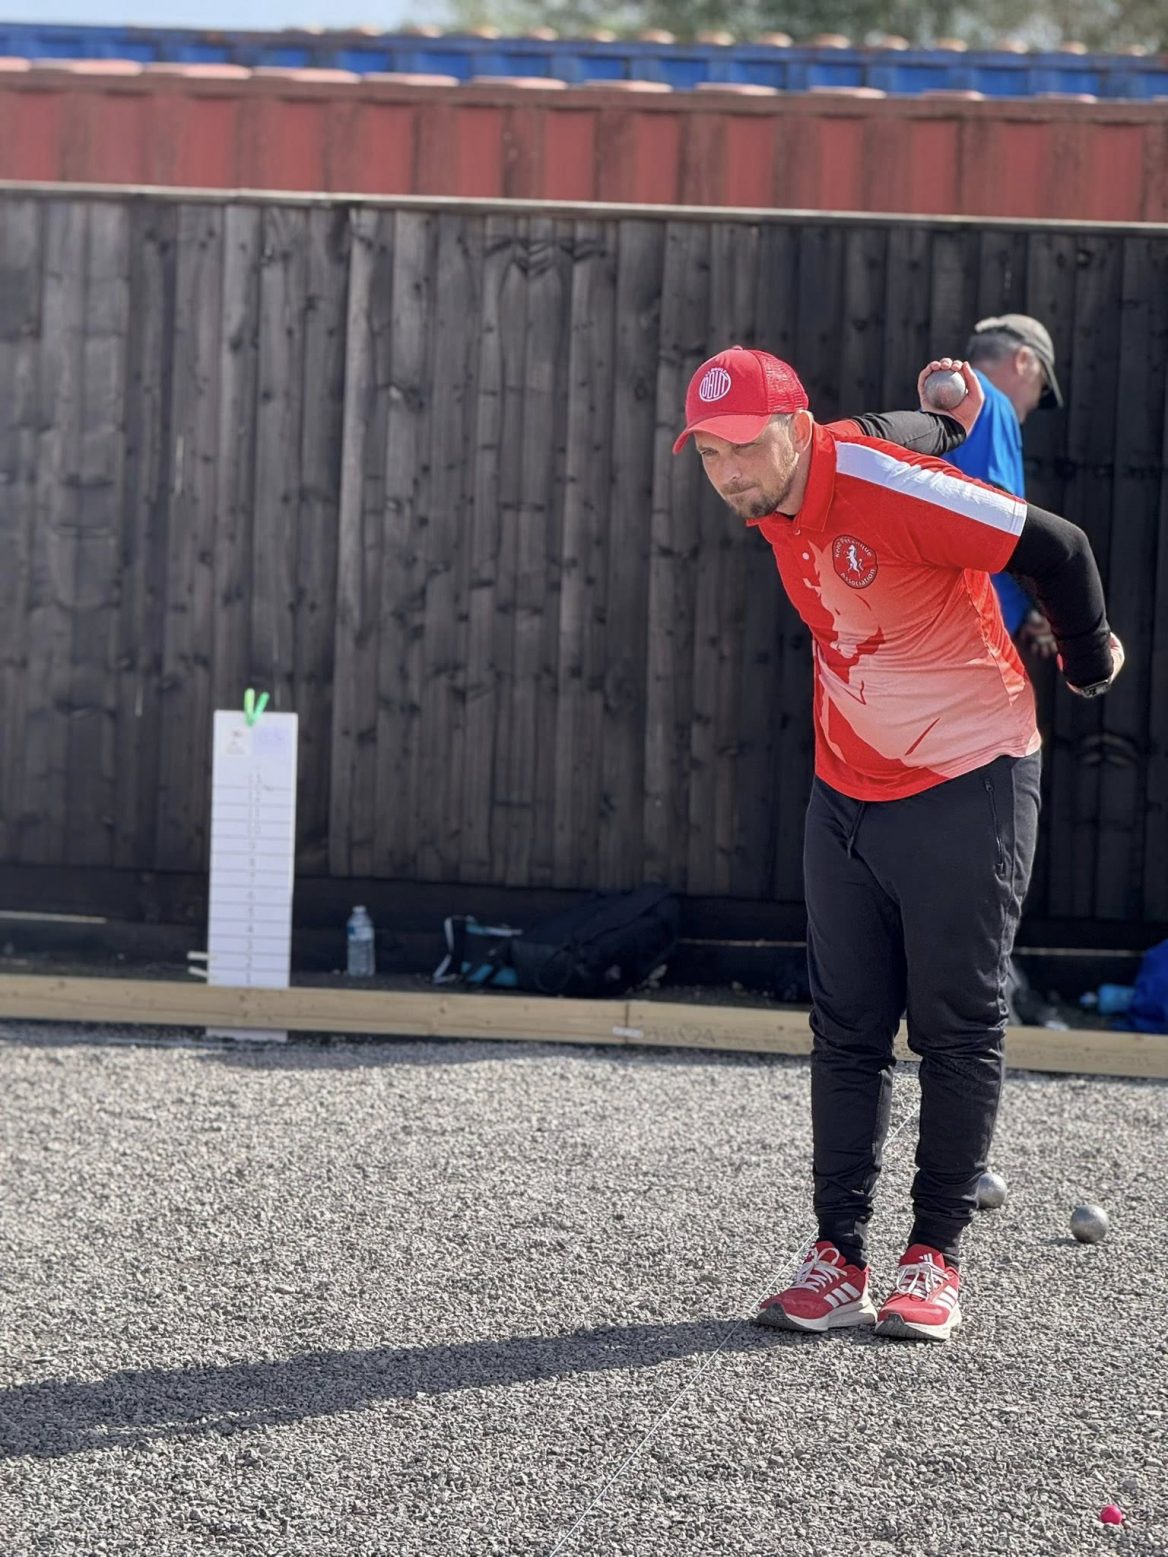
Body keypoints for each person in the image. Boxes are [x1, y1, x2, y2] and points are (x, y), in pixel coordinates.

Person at [673, 345, 1122, 1343]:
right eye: (709, 454)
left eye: (743, 447)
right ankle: (837, 1258)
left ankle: (935, 1256)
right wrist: (952, 420)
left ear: (793, 429)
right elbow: (880, 428)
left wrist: (1088, 658)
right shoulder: (784, 485)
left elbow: (1061, 547)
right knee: (846, 1027)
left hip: (969, 775)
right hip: (846, 786)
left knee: (955, 1024)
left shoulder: (888, 490)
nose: (729, 473)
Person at [946, 313, 1064, 656]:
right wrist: (1023, 610)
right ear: (1023, 360)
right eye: (1041, 386)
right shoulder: (990, 403)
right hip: (964, 618)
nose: (1034, 402)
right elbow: (990, 521)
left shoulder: (949, 399)